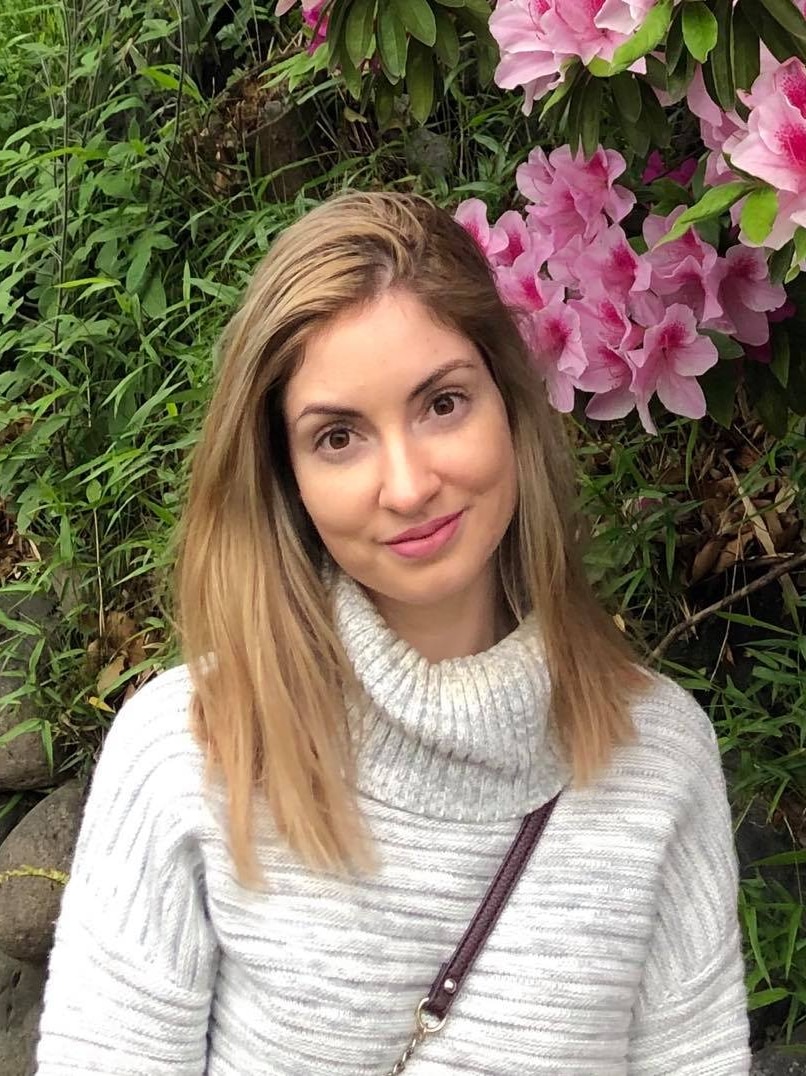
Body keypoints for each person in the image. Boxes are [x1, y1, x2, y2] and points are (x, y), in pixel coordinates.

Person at [35, 190, 751, 1075]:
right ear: (284, 474)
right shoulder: (189, 752)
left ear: (510, 406)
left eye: (442, 404)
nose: (408, 485)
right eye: (338, 437)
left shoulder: (663, 758)